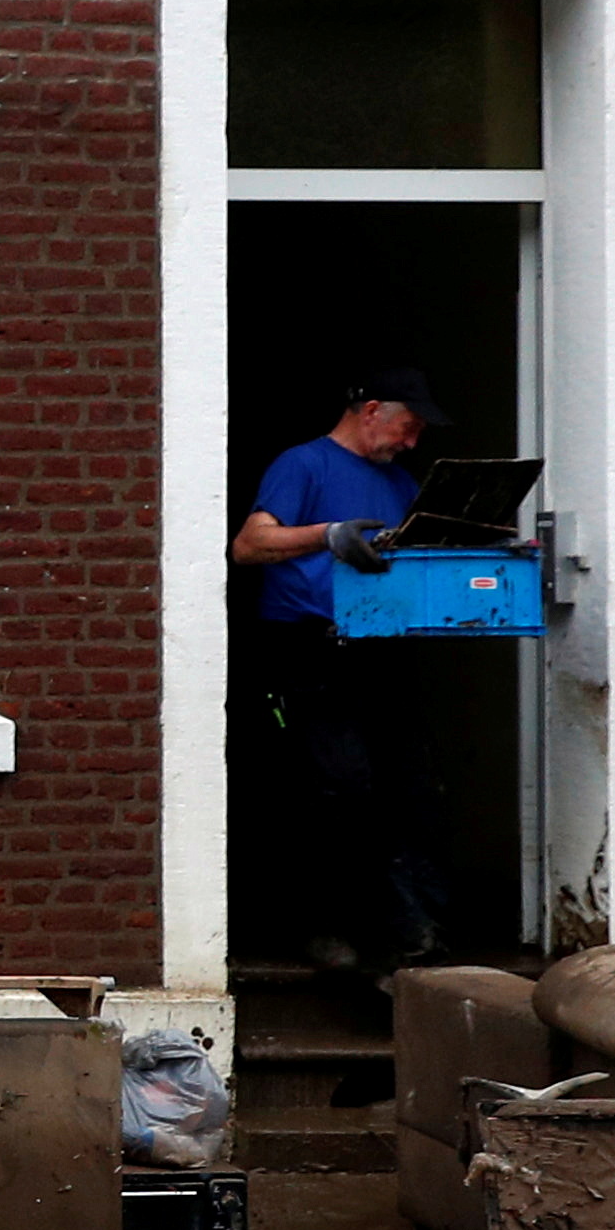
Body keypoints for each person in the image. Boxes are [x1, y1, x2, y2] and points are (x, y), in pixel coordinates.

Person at [229, 368, 460, 978]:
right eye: (408, 428)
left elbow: (423, 555)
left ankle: (413, 933)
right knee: (342, 789)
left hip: (382, 647)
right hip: (308, 649)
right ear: (371, 409)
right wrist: (328, 536)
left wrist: (494, 552)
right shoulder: (303, 465)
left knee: (414, 789)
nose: (411, 443)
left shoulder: (401, 481)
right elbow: (249, 545)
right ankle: (344, 931)